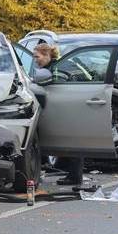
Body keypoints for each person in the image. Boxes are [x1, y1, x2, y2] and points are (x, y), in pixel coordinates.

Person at [32, 43, 85, 186]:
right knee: (69, 140)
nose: (35, 60)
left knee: (72, 140)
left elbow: (58, 90)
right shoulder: (53, 67)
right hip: (73, 104)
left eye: (37, 56)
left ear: (47, 55)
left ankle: (75, 176)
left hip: (72, 106)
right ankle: (72, 175)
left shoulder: (56, 69)